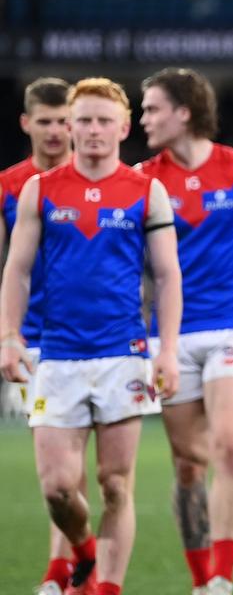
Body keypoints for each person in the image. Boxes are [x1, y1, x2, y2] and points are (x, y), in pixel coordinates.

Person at [1, 77, 182, 595]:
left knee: (114, 484)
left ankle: (105, 587)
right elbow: (16, 270)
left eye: (105, 120)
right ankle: (83, 551)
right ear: (70, 126)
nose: (94, 130)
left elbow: (168, 275)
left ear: (125, 127)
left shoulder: (147, 190)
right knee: (59, 488)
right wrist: (8, 336)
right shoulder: (39, 189)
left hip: (123, 356)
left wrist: (166, 348)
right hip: (56, 357)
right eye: (84, 120)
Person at [137, 68, 233, 595]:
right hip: (169, 339)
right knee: (188, 464)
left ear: (184, 112)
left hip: (232, 328)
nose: (144, 118)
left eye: (152, 108)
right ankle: (201, 581)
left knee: (228, 448)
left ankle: (222, 578)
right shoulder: (141, 179)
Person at [0, 77, 88, 595]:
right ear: (26, 123)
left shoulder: (103, 181)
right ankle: (74, 563)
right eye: (46, 121)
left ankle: (68, 570)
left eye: (64, 121)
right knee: (59, 465)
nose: (56, 132)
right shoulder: (11, 186)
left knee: (88, 470)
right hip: (35, 340)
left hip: (95, 338)